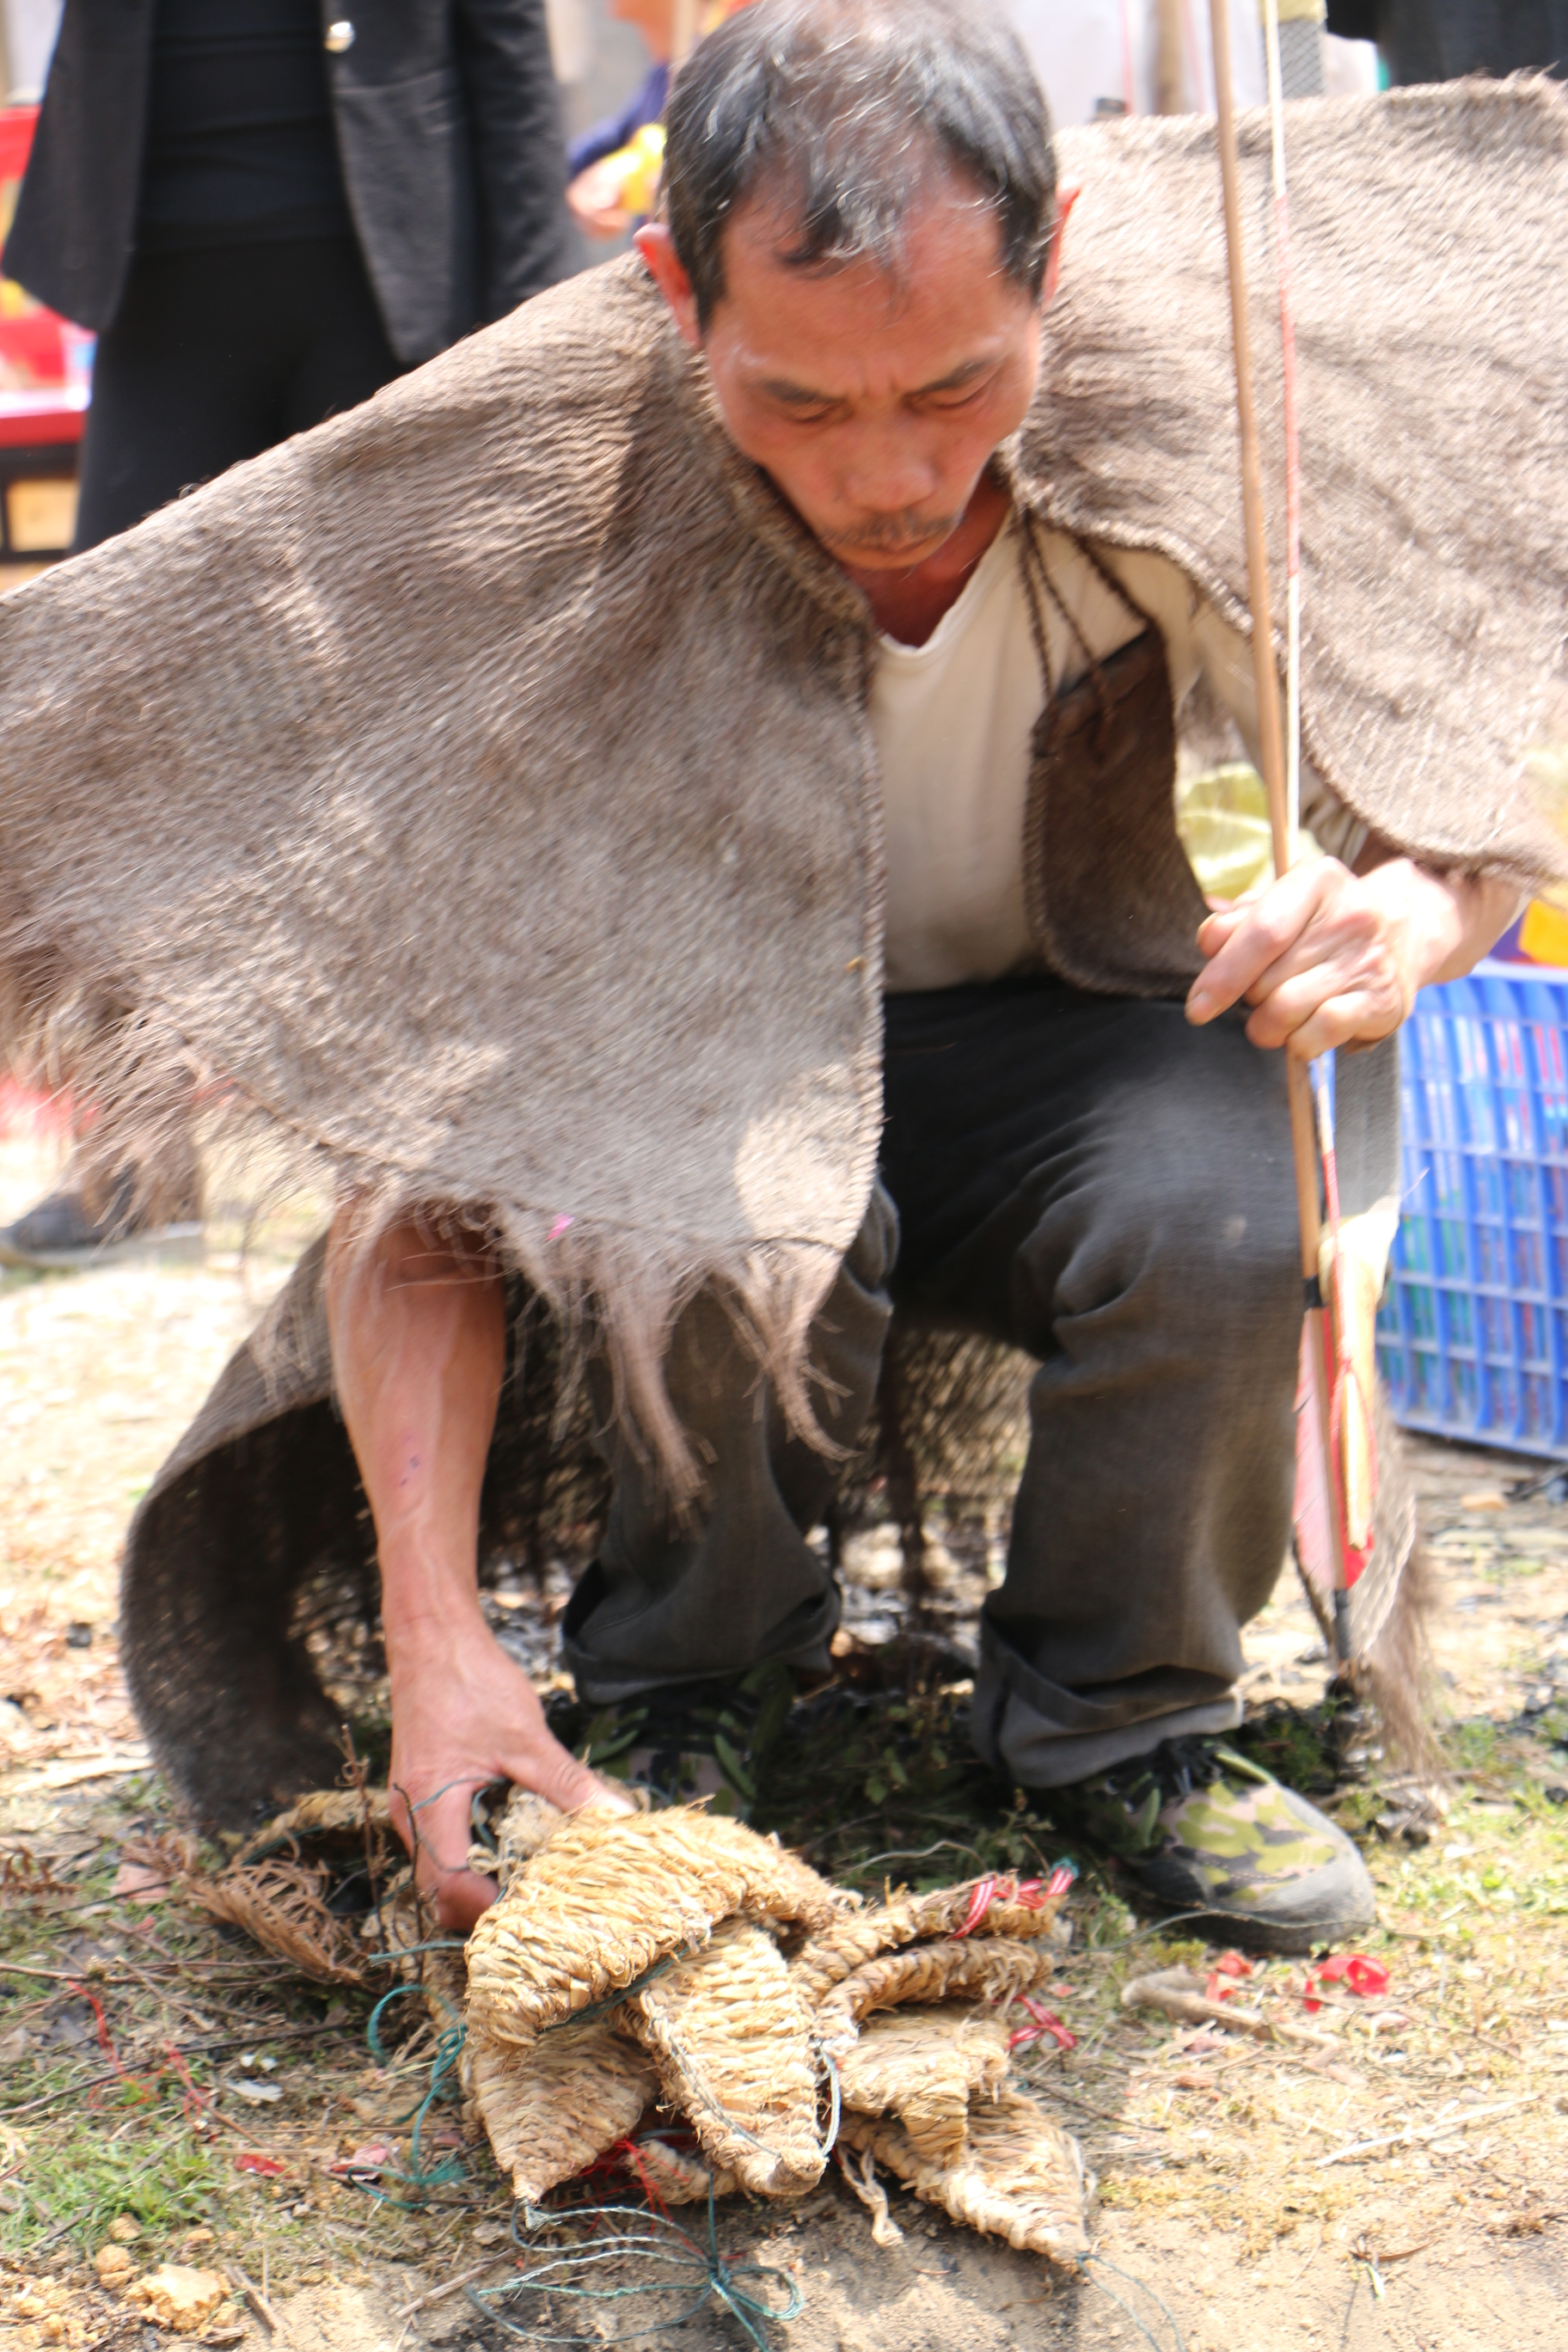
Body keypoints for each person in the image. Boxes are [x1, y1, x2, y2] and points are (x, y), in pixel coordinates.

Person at [2, 2, 1555, 1957]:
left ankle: (1120, 1719)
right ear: (670, 286)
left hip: (1072, 1039)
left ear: (1053, 261)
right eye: (802, 406)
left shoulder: (1223, 398)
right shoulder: (533, 530)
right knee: (722, 1213)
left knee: (1224, 1206)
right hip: (700, 1072)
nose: (892, 477)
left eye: (957, 388)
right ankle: (681, 1690)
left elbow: (1485, 748)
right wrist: (433, 1642)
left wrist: (1417, 923)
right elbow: (426, 1175)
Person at [0, 0, 573, 1269]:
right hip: (155, 275)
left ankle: (454, 1152)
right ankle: (136, 1165)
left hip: (391, 282)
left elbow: (508, 46)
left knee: (425, 728)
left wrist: (532, 310)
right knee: (107, 735)